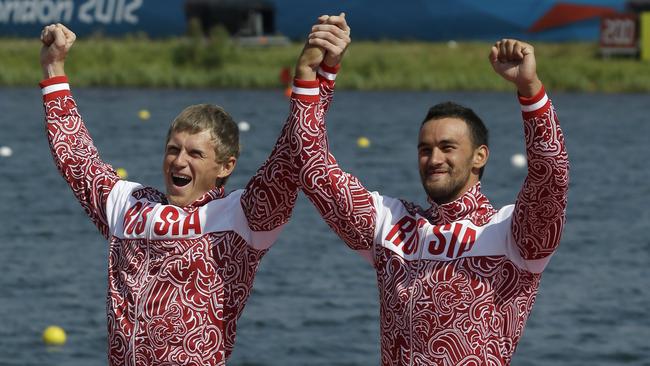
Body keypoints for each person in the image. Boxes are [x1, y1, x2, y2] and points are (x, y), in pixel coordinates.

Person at [38, 21, 335, 365]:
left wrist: (318, 77)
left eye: (195, 154)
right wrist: (53, 66)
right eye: (173, 149)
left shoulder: (242, 216)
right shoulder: (128, 205)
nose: (179, 161)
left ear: (225, 166)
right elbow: (75, 157)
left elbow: (289, 157)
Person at [289, 17, 569, 365]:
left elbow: (551, 175)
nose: (434, 159)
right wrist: (315, 74)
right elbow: (312, 167)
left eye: (448, 147)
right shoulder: (392, 225)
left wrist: (530, 91)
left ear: (479, 156)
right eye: (425, 149)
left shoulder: (513, 235)